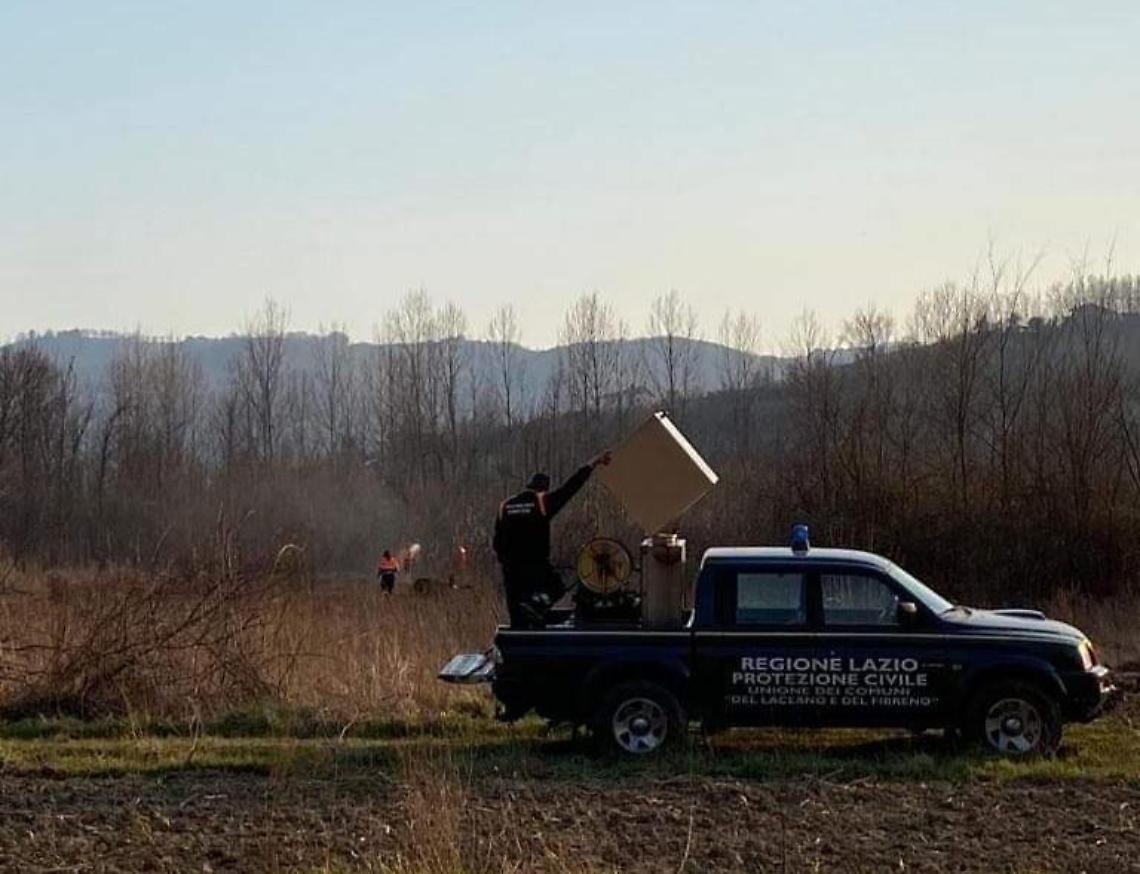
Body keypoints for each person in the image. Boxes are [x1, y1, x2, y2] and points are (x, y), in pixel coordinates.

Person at [493, 450, 612, 626]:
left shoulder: (505, 506)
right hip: (535, 566)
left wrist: (506, 561)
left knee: (517, 614)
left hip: (511, 570)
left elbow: (496, 542)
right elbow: (570, 488)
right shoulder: (541, 503)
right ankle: (538, 605)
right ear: (543, 490)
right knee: (556, 587)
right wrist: (592, 464)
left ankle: (521, 633)